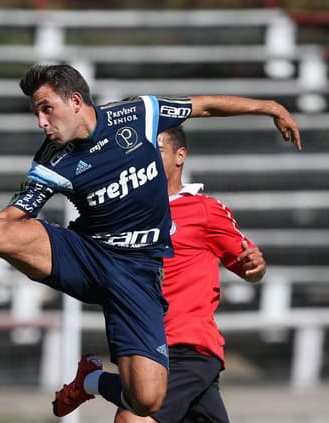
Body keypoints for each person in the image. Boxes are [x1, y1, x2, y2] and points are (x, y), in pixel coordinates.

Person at [0, 63, 300, 418]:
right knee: (2, 234)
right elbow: (15, 215)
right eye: (36, 112)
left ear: (76, 101)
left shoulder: (137, 115)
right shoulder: (52, 160)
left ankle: (92, 381)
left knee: (146, 400)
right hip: (87, 255)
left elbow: (205, 106)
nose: (42, 121)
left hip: (137, 274)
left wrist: (271, 107)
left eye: (47, 108)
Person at [110, 126, 266, 423]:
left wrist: (256, 266)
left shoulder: (204, 210)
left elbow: (249, 266)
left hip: (185, 345)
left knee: (133, 419)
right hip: (142, 345)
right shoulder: (123, 213)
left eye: (155, 151)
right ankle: (92, 379)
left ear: (180, 155)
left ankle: (93, 380)